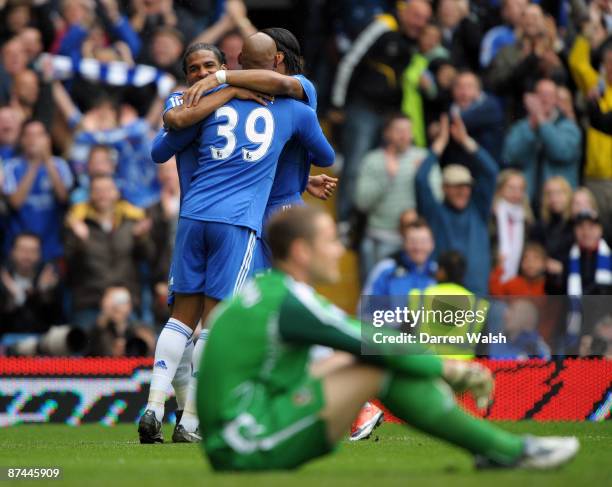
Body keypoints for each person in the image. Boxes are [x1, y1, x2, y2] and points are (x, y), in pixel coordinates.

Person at [197, 204, 579, 471]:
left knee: (367, 359)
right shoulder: (289, 301)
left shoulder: (266, 291)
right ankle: (507, 450)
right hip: (244, 443)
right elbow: (370, 339)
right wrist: (449, 368)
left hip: (239, 429)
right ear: (300, 251)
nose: (339, 250)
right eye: (330, 240)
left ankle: (495, 449)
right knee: (376, 365)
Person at [138, 33, 335, 444]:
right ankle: (188, 421)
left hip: (194, 213)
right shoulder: (292, 110)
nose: (204, 74)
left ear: (236, 60)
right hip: (240, 220)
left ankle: (156, 408)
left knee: (182, 320)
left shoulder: (198, 105)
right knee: (217, 319)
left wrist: (223, 88)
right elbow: (325, 154)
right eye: (196, 70)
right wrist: (226, 88)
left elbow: (165, 142)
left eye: (211, 67)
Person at [416, 114, 498, 295]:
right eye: (456, 187)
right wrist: (439, 144)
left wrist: (466, 141)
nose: (462, 191)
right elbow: (421, 180)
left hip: (477, 293)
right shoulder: (434, 212)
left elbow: (491, 172)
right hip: (443, 294)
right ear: (444, 188)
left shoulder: (478, 210)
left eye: (466, 186)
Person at [354, 114, 440, 281]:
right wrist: (388, 178)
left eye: (408, 130)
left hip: (417, 243)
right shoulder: (373, 160)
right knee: (377, 299)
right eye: (398, 130)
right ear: (386, 133)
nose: (404, 135)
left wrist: (421, 178)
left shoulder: (423, 158)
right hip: (381, 238)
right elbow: (361, 203)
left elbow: (437, 199)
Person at [64, 175, 154, 329]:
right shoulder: (78, 223)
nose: (102, 195)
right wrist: (80, 242)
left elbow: (148, 257)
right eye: (97, 190)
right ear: (90, 195)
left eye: (107, 190)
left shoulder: (131, 221)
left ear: (116, 193)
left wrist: (141, 238)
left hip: (126, 300)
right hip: (90, 301)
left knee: (137, 344)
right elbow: (70, 267)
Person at [2, 120, 73, 262]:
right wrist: (34, 164)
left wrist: (46, 160)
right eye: (29, 135)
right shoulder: (11, 167)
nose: (34, 140)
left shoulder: (60, 165)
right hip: (19, 244)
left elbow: (63, 197)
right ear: (22, 140)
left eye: (39, 135)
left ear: (47, 139)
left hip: (51, 243)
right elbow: (15, 202)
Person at [502, 79, 582, 203]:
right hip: (525, 200)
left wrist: (542, 122)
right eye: (541, 95)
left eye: (549, 95)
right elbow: (510, 156)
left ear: (556, 100)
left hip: (559, 201)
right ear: (533, 98)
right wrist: (531, 129)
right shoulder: (522, 127)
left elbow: (562, 152)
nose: (545, 100)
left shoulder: (569, 127)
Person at [0, 232, 63, 335]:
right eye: (22, 249)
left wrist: (44, 294)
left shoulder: (49, 278)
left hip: (40, 341)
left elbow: (56, 321)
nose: (27, 255)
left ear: (40, 254)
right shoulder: (3, 279)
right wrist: (11, 302)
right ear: (12, 252)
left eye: (33, 250)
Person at [490, 170, 534, 283]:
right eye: (511, 188)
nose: (516, 192)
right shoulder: (491, 216)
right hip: (492, 273)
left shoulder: (527, 219)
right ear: (500, 189)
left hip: (517, 279)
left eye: (520, 189)